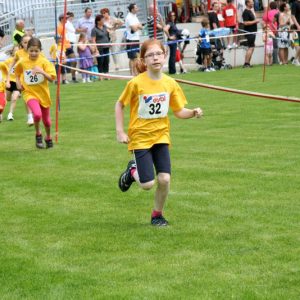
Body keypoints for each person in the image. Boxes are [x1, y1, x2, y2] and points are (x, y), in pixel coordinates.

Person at [115, 39, 203, 226]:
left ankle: (157, 215)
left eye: (158, 54)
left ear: (165, 56)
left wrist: (193, 112)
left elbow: (179, 111)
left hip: (161, 135)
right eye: (150, 55)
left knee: (164, 179)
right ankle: (132, 171)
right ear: (143, 60)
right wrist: (120, 132)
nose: (155, 58)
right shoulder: (136, 83)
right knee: (147, 184)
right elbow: (119, 104)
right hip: (140, 137)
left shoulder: (170, 83)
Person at [15, 37, 56, 149]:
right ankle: (38, 134)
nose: (33, 53)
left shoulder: (44, 62)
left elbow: (52, 79)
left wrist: (41, 72)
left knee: (47, 121)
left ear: (40, 51)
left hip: (43, 94)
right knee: (37, 114)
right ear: (27, 50)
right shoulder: (23, 61)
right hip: (29, 93)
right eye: (31, 51)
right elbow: (17, 72)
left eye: (36, 51)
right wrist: (18, 83)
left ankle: (48, 137)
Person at [10, 34, 34, 125]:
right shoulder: (18, 53)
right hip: (23, 79)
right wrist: (9, 78)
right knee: (26, 97)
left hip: (35, 78)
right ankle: (30, 117)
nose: (27, 44)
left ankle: (37, 113)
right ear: (21, 43)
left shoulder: (35, 51)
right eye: (25, 42)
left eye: (29, 42)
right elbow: (12, 65)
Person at [57, 14, 78, 83]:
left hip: (68, 46)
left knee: (74, 61)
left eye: (67, 18)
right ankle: (62, 79)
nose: (66, 20)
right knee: (63, 63)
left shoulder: (65, 26)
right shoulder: (59, 27)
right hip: (63, 48)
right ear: (61, 19)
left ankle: (73, 77)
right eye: (65, 18)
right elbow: (58, 39)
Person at [125, 3, 143, 75]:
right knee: (132, 58)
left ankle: (135, 72)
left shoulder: (135, 16)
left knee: (136, 57)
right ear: (132, 9)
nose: (137, 9)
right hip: (131, 39)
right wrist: (138, 26)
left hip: (136, 39)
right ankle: (132, 73)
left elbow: (141, 27)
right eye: (136, 8)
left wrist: (137, 26)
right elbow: (134, 29)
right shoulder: (129, 17)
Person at [4, 46, 21, 121]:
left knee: (14, 98)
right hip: (9, 82)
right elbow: (4, 69)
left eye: (18, 51)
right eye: (15, 51)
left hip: (17, 82)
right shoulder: (9, 61)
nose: (17, 52)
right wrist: (6, 81)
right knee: (7, 99)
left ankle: (10, 114)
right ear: (13, 52)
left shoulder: (21, 61)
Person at [242, 0, 260, 68]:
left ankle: (248, 63)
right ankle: (246, 63)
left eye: (253, 2)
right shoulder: (246, 12)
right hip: (249, 32)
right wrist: (255, 21)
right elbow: (245, 23)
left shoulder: (250, 11)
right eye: (251, 2)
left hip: (252, 32)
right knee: (250, 47)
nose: (252, 3)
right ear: (247, 3)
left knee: (252, 47)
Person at [291, 0, 300, 66]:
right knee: (297, 46)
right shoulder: (295, 3)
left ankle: (296, 60)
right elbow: (293, 16)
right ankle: (296, 60)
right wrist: (298, 25)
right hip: (296, 29)